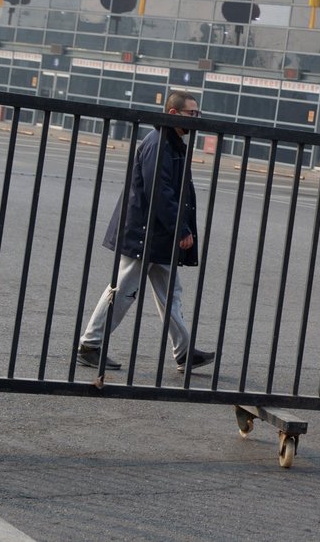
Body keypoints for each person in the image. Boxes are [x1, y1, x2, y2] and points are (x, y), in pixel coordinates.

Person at [77, 91, 216, 373]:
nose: (197, 119)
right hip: (144, 234)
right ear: (174, 114)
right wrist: (181, 228)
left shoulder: (171, 144)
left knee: (170, 293)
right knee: (123, 290)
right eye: (193, 113)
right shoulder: (160, 144)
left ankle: (184, 351)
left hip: (156, 234)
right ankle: (89, 346)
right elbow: (159, 192)